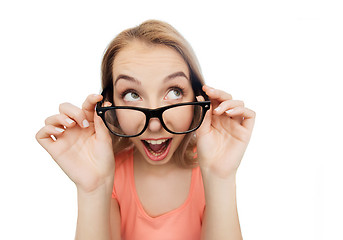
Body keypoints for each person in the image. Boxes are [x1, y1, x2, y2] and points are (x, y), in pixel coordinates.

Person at [36, 20, 256, 240]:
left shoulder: (210, 169)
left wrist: (220, 177)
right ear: (110, 106)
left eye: (174, 91)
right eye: (132, 94)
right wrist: (92, 189)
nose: (154, 124)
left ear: (198, 99)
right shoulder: (110, 173)